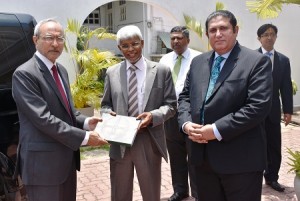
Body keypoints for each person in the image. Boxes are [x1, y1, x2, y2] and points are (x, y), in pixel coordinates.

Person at [177, 10, 273, 201]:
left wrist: (216, 130)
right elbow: (185, 97)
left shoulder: (256, 61)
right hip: (201, 160)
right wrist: (186, 124)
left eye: (223, 28)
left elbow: (257, 107)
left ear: (235, 30)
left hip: (240, 162)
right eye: (213, 30)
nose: (218, 34)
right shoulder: (198, 63)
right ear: (207, 35)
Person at [12, 18, 108, 201]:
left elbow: (68, 112)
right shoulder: (25, 74)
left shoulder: (61, 70)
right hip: (42, 167)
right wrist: (86, 138)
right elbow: (44, 119)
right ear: (35, 40)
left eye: (60, 38)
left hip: (66, 162)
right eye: (49, 38)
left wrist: (87, 123)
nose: (55, 44)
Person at [100, 25, 177, 201]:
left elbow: (171, 105)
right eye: (125, 46)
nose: (130, 49)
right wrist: (108, 115)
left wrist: (153, 116)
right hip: (120, 142)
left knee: (151, 193)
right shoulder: (112, 73)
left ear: (142, 43)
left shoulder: (161, 71)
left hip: (148, 139)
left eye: (134, 44)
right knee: (119, 193)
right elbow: (105, 105)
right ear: (119, 48)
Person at [159, 26, 200, 201]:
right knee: (176, 155)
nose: (175, 41)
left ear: (188, 40)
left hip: (191, 114)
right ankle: (180, 190)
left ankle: (198, 194)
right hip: (170, 114)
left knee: (195, 156)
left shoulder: (198, 58)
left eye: (179, 38)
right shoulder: (165, 59)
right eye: (173, 38)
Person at [257, 24, 293, 192]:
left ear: (276, 37)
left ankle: (272, 178)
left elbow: (285, 87)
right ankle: (255, 177)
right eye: (265, 34)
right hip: (253, 111)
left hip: (273, 111)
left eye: (272, 34)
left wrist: (288, 111)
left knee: (274, 146)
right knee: (255, 144)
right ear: (259, 38)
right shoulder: (250, 57)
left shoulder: (283, 61)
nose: (269, 37)